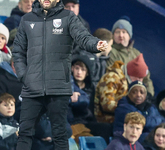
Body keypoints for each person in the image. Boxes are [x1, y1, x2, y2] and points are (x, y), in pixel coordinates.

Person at [12, 0, 108, 149]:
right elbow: (18, 52)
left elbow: (83, 37)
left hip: (57, 84)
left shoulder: (68, 18)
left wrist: (95, 45)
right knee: (26, 134)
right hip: (33, 85)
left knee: (61, 133)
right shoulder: (27, 19)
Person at [68, 54, 112, 144]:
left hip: (87, 121)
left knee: (106, 128)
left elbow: (92, 108)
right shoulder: (68, 85)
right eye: (77, 68)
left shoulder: (91, 88)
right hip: (73, 122)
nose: (79, 72)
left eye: (83, 69)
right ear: (72, 69)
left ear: (87, 73)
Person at [106, 16, 154, 96]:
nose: (121, 35)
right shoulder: (110, 51)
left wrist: (149, 97)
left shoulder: (137, 54)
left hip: (139, 97)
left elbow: (146, 78)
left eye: (124, 32)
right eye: (117, 32)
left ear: (129, 35)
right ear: (113, 35)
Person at [94, 53, 149, 123]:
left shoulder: (127, 81)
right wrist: (130, 109)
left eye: (142, 78)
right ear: (130, 74)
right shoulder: (111, 78)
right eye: (138, 78)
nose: (140, 81)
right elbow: (106, 104)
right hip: (107, 120)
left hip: (124, 119)